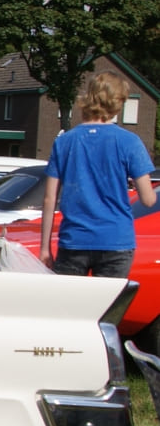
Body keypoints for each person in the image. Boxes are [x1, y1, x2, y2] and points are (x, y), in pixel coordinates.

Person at [40, 71, 157, 277]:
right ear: (117, 103)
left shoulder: (64, 142)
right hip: (116, 240)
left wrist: (44, 248)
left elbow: (49, 199)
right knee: (108, 307)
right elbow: (148, 200)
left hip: (74, 240)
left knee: (70, 306)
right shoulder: (129, 142)